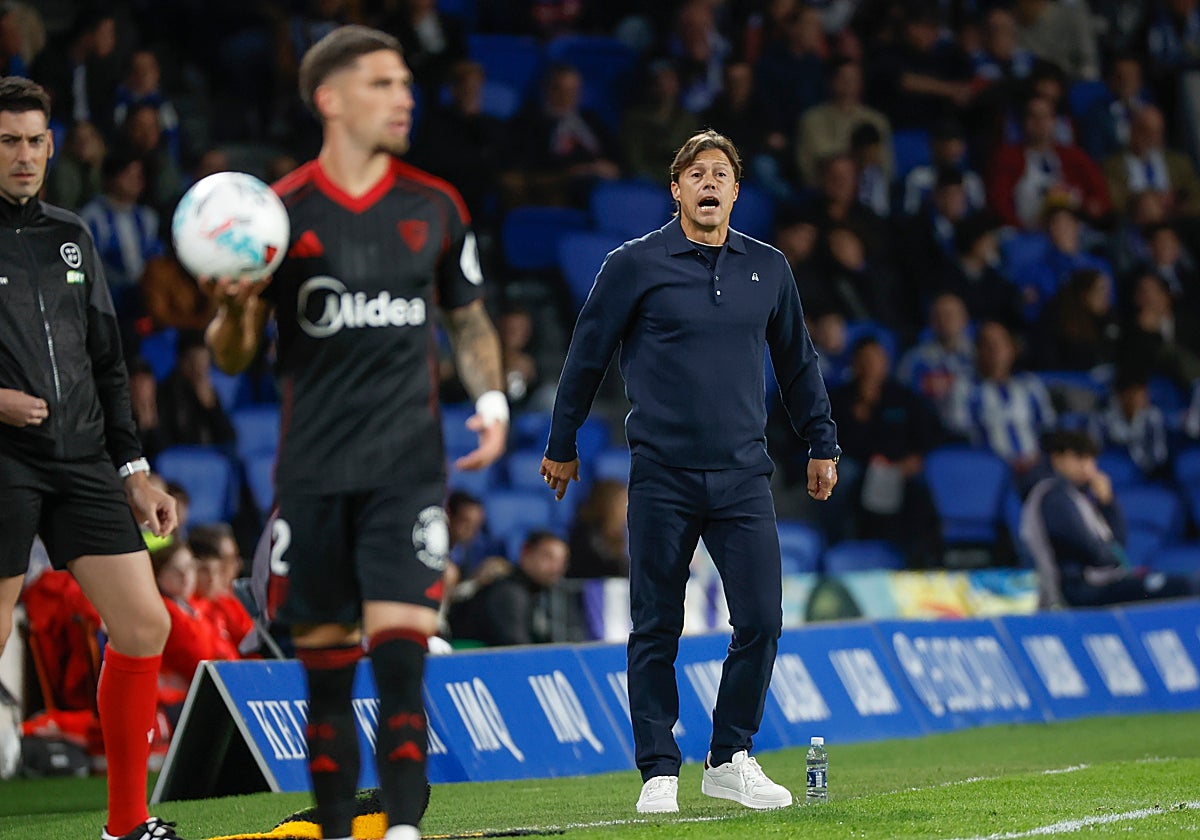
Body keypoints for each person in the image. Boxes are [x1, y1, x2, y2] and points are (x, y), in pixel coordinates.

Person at [203, 27, 507, 840]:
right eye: (382, 83)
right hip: (314, 475)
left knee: (403, 658)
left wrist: (493, 400)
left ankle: (403, 831)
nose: (404, 97)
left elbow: (469, 321)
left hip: (407, 470)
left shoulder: (436, 205)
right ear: (330, 100)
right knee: (329, 679)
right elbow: (230, 358)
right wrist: (234, 309)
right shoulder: (278, 215)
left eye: (406, 82)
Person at [540, 130, 840, 815]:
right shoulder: (633, 264)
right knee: (655, 625)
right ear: (676, 190)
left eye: (722, 174)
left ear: (736, 192)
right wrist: (563, 441)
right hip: (663, 476)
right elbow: (586, 354)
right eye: (696, 173)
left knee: (761, 618)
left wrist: (821, 441)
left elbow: (797, 364)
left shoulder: (768, 268)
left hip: (743, 478)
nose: (709, 182)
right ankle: (657, 770)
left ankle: (730, 755)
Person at [0, 77, 180, 840]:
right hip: (4, 457)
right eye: (9, 140)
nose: (25, 156)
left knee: (145, 626)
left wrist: (133, 471)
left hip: (82, 460)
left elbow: (109, 363)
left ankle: (126, 825)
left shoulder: (72, 234)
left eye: (36, 140)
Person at [1020, 430, 1195, 608]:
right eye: (1080, 458)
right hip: (1077, 589)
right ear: (1058, 459)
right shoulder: (1053, 497)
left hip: (1099, 582)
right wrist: (1115, 561)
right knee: (1182, 587)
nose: (1088, 467)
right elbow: (1091, 549)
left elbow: (1118, 543)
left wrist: (1107, 503)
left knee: (1187, 584)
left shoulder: (1077, 496)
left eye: (1091, 459)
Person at [447, 530, 570, 646]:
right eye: (548, 557)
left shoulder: (535, 593)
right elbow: (517, 651)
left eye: (562, 561)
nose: (556, 568)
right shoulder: (509, 594)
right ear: (525, 551)